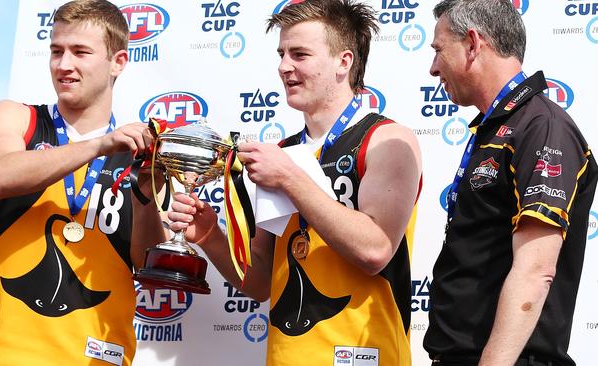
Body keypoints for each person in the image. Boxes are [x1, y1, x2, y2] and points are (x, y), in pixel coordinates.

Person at [162, 0, 422, 365]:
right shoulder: (283, 151)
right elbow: (257, 282)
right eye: (282, 54)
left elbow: (374, 251)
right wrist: (208, 235)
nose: (285, 67)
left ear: (343, 62)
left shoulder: (386, 139)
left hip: (363, 355)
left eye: (300, 54)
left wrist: (288, 177)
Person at [0, 1, 164, 365]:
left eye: (80, 52)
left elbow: (148, 264)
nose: (64, 65)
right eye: (56, 51)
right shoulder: (19, 118)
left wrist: (146, 197)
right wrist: (98, 146)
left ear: (118, 62)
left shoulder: (139, 155)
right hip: (9, 356)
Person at [423, 1, 598, 365]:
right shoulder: (501, 126)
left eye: (439, 50)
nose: (433, 67)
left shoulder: (542, 126)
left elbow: (536, 269)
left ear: (473, 44)